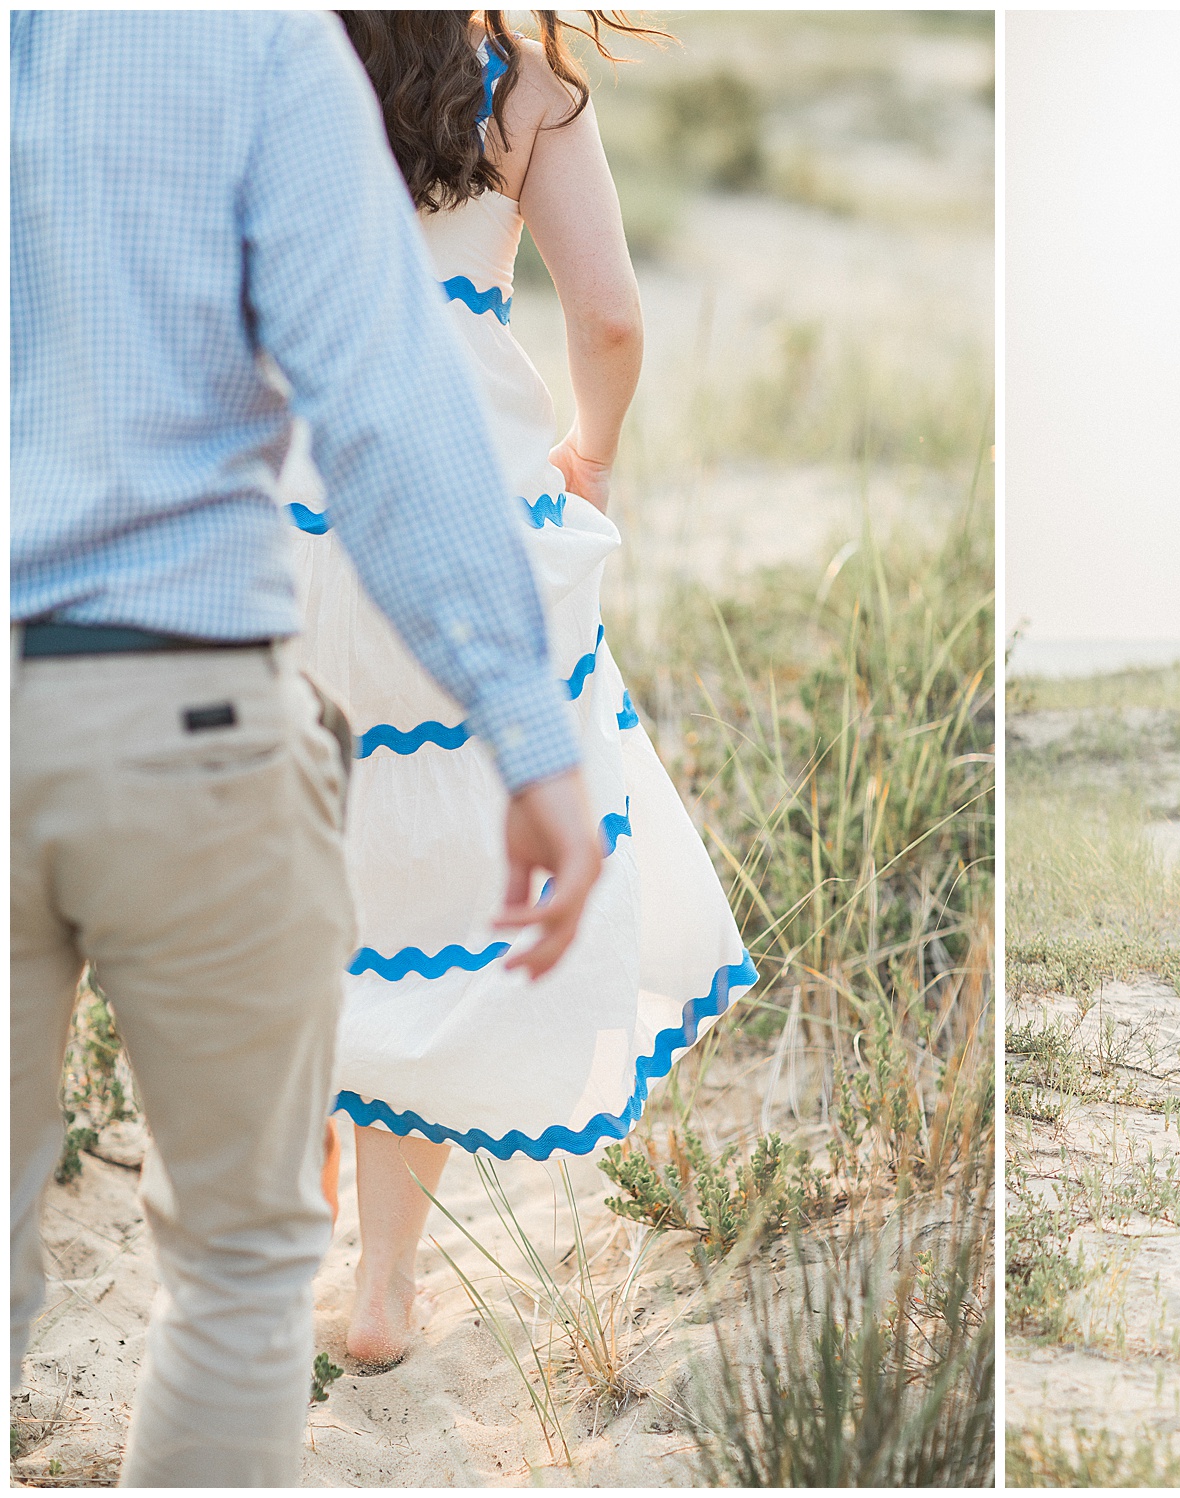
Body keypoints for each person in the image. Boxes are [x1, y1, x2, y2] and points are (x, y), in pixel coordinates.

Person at [11, 11, 601, 1486]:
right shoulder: (256, 48)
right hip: (185, 701)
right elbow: (386, 413)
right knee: (235, 1266)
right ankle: (378, 1273)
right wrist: (530, 736)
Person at [288, 12, 756, 1370]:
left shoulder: (280, 53)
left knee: (306, 852)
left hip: (295, 501)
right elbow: (608, 319)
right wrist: (592, 457)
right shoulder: (524, 88)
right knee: (434, 887)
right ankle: (383, 1281)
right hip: (462, 504)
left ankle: (301, 1142)